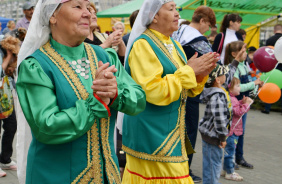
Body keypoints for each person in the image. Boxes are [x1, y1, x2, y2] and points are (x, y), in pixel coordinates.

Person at [16, 0, 146, 183]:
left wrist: (115, 93)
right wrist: (96, 102)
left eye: (89, 7)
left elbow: (139, 101)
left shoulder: (105, 56)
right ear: (52, 15)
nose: (88, 13)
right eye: (78, 7)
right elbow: (46, 127)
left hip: (107, 175)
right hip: (56, 176)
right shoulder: (36, 66)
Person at [121, 0, 218, 183]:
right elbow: (152, 90)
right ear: (154, 16)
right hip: (151, 132)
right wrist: (190, 71)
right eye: (171, 9)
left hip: (171, 132)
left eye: (177, 9)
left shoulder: (175, 45)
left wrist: (199, 75)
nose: (177, 14)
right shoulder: (144, 44)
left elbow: (186, 89)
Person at [173, 5, 217, 183]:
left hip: (173, 88)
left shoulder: (178, 31)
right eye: (209, 25)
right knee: (189, 132)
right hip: (190, 92)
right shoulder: (199, 41)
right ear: (203, 21)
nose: (208, 29)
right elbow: (215, 69)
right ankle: (185, 170)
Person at [224, 41, 263, 169]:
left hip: (243, 101)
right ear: (234, 54)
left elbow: (250, 81)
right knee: (234, 132)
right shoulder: (233, 68)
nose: (246, 53)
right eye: (243, 51)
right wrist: (254, 83)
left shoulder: (243, 65)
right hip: (237, 102)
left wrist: (256, 83)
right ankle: (231, 158)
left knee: (241, 131)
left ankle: (239, 157)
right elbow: (237, 87)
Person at [222, 78, 252, 181]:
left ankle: (226, 169)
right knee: (230, 152)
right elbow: (238, 112)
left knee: (229, 151)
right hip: (232, 131)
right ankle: (230, 172)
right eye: (238, 86)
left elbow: (236, 106)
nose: (240, 87)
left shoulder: (233, 98)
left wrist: (241, 102)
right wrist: (246, 104)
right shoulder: (231, 98)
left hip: (233, 130)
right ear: (230, 88)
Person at [0, 35, 19, 178]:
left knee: (11, 125)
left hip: (4, 93)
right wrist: (8, 57)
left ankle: (5, 159)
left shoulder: (3, 42)